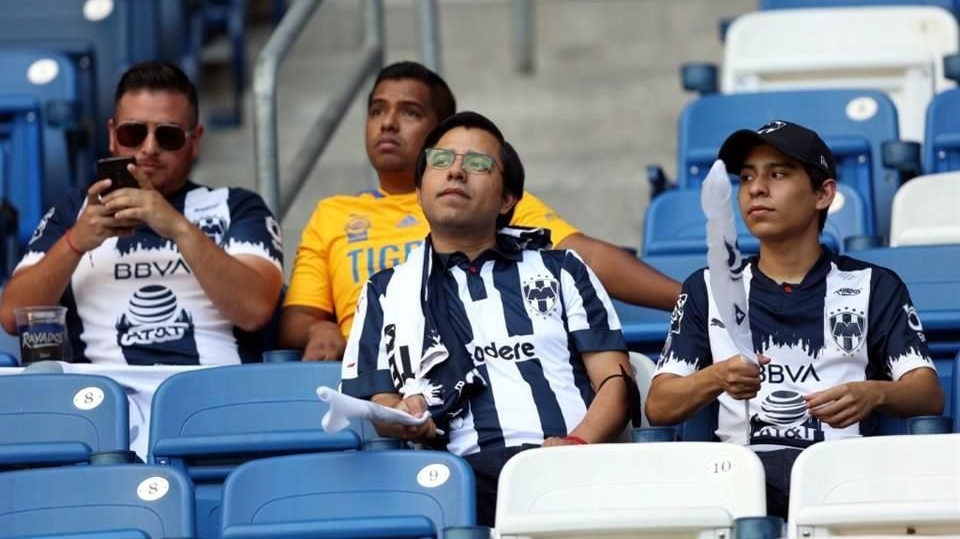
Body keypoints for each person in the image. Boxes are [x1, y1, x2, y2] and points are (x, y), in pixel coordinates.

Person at [280, 60, 680, 360]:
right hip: (374, 374)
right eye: (377, 110)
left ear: (444, 132)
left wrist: (689, 298)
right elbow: (296, 320)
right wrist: (321, 327)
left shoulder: (478, 195)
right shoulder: (332, 214)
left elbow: (584, 256)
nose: (388, 124)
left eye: (409, 113)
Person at [341, 111, 632, 525]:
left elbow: (617, 383)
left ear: (507, 199)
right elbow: (380, 401)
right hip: (457, 481)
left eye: (478, 164)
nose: (456, 171)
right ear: (419, 193)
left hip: (573, 469)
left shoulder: (562, 269)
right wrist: (406, 414)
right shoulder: (384, 291)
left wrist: (576, 444)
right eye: (440, 161)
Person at [644, 120, 944, 518]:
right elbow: (659, 406)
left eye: (778, 174)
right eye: (747, 177)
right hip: (738, 480)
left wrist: (874, 393)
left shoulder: (874, 284)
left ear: (824, 194)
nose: (756, 188)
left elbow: (928, 393)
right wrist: (717, 377)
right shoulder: (706, 287)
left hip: (842, 475)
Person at [0, 62, 284, 365]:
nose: (149, 148)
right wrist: (74, 244)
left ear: (195, 140)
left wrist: (178, 228)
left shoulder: (237, 206)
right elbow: (13, 317)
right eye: (133, 132)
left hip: (213, 400)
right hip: (103, 401)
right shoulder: (75, 211)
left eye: (168, 136)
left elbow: (255, 311)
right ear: (112, 134)